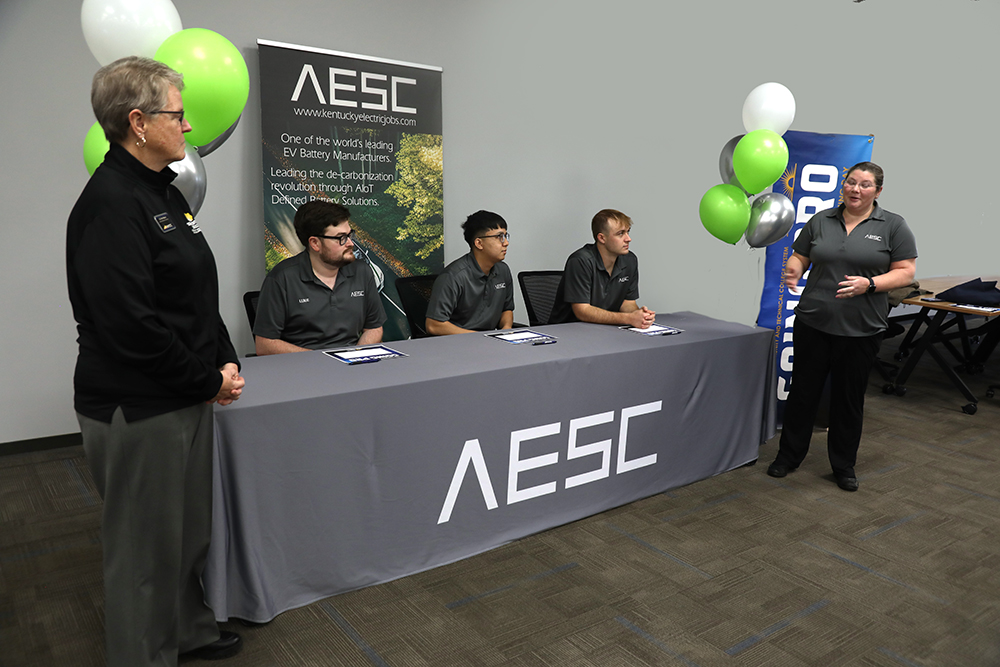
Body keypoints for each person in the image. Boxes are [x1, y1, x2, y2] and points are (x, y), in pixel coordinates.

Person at [66, 57, 245, 665]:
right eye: (178, 114)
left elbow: (192, 292)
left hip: (184, 394)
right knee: (143, 549)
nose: (189, 126)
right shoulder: (110, 204)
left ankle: (187, 631)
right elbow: (130, 328)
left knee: (185, 534)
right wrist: (205, 379)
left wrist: (223, 359)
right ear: (138, 122)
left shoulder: (161, 191)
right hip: (138, 406)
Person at [766, 162, 917, 492]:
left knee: (848, 400)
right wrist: (793, 268)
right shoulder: (822, 220)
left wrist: (871, 284)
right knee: (803, 393)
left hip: (861, 329)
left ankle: (843, 465)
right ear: (843, 186)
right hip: (814, 322)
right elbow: (801, 255)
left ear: (878, 191)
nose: (855, 189)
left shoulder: (893, 226)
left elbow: (905, 272)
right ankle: (788, 457)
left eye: (864, 185)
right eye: (851, 182)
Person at [253, 200, 386, 353]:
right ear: (315, 243)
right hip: (303, 366)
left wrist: (356, 356)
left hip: (352, 365)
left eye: (350, 235)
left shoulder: (361, 271)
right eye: (341, 238)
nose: (350, 243)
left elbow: (374, 328)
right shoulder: (281, 279)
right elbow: (264, 345)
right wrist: (321, 362)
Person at [549, 209, 656, 328]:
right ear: (602, 238)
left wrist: (640, 316)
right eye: (620, 233)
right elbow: (582, 311)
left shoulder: (630, 260)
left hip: (604, 329)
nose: (628, 238)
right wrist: (628, 318)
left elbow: (627, 303)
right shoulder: (580, 261)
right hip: (568, 331)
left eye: (628, 232)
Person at [425, 210, 515, 334]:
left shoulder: (503, 270)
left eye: (506, 236)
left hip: (490, 343)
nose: (506, 243)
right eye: (499, 237)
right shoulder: (453, 276)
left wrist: (506, 329)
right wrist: (479, 338)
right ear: (479, 243)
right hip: (458, 344)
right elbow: (434, 325)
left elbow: (507, 309)